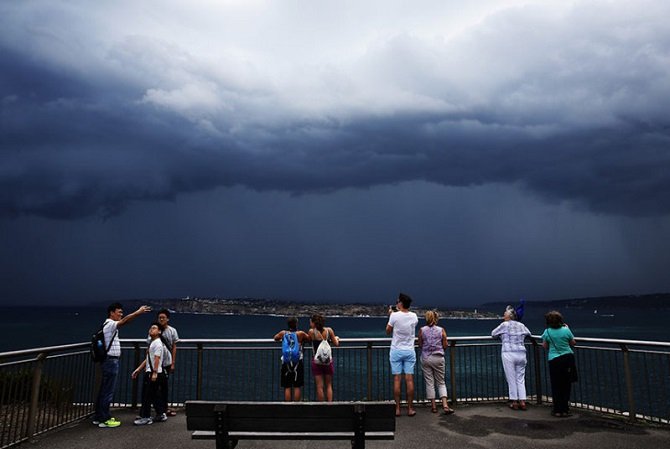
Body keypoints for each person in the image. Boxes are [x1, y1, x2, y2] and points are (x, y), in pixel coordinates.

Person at [93, 302, 151, 428]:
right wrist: (138, 312)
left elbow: (124, 321)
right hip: (111, 361)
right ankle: (105, 419)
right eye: (119, 312)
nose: (121, 314)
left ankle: (98, 417)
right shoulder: (110, 324)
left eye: (121, 312)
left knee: (104, 389)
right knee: (108, 391)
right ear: (111, 313)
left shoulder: (107, 325)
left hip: (108, 361)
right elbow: (124, 321)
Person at [491, 306, 532, 411]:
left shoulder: (504, 325)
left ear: (509, 316)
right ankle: (522, 401)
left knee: (511, 378)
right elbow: (529, 334)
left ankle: (514, 402)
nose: (504, 314)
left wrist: (502, 336)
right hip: (521, 353)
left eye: (505, 313)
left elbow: (493, 334)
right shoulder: (521, 325)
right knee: (520, 378)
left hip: (508, 353)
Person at [386, 292, 418, 417]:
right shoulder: (414, 316)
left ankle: (397, 409)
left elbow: (388, 331)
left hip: (396, 350)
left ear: (400, 303)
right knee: (409, 380)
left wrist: (390, 315)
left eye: (397, 301)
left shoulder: (394, 316)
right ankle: (410, 409)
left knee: (397, 380)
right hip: (409, 350)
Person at [541, 310, 577, 417]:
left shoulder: (547, 332)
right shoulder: (566, 330)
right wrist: (567, 329)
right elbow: (573, 343)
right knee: (566, 384)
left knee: (556, 384)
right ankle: (565, 409)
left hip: (554, 360)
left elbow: (545, 346)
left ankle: (557, 409)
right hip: (567, 358)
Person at [417, 310, 454, 414]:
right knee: (441, 382)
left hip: (426, 357)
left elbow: (420, 344)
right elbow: (445, 344)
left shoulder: (421, 330)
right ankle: (445, 406)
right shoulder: (441, 330)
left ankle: (433, 406)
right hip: (438, 357)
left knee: (430, 382)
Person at [131, 322, 167, 425]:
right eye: (150, 328)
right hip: (152, 372)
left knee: (147, 395)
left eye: (154, 328)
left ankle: (146, 417)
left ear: (159, 331)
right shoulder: (153, 343)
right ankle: (160, 413)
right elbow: (148, 359)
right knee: (154, 395)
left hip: (153, 373)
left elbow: (157, 358)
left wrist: (154, 372)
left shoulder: (158, 344)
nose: (151, 330)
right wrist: (139, 369)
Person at [274, 317, 310, 401]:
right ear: (296, 324)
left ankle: (288, 406)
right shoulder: (300, 334)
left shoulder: (283, 333)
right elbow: (309, 338)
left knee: (287, 386)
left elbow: (275, 338)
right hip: (297, 361)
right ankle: (296, 406)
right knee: (297, 386)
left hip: (286, 361)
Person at [308, 314, 340, 402]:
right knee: (329, 385)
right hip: (328, 362)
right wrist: (336, 338)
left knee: (319, 386)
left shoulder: (311, 332)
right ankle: (330, 405)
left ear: (314, 323)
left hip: (317, 361)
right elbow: (336, 344)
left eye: (311, 321)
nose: (310, 323)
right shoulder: (329, 330)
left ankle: (321, 406)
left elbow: (309, 340)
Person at [156, 309, 179, 416]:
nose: (161, 319)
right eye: (160, 317)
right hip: (156, 363)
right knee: (155, 386)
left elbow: (174, 346)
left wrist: (173, 363)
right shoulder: (154, 330)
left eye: (163, 317)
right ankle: (159, 409)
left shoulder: (172, 331)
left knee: (164, 386)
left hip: (166, 363)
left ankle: (163, 408)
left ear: (167, 319)